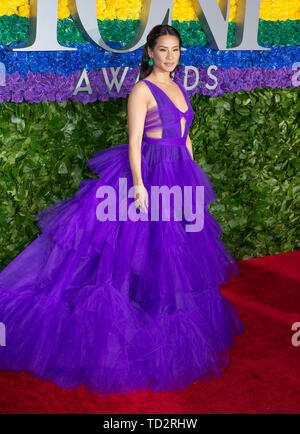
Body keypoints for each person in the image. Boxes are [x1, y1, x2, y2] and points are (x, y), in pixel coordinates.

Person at [0, 24, 244, 396]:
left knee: (173, 251)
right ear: (149, 53)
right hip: (149, 173)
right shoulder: (141, 90)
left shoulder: (180, 87)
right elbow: (133, 143)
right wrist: (140, 187)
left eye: (175, 50)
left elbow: (186, 134)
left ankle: (158, 311)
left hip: (178, 173)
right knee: (133, 247)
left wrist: (194, 178)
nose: (170, 56)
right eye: (163, 50)